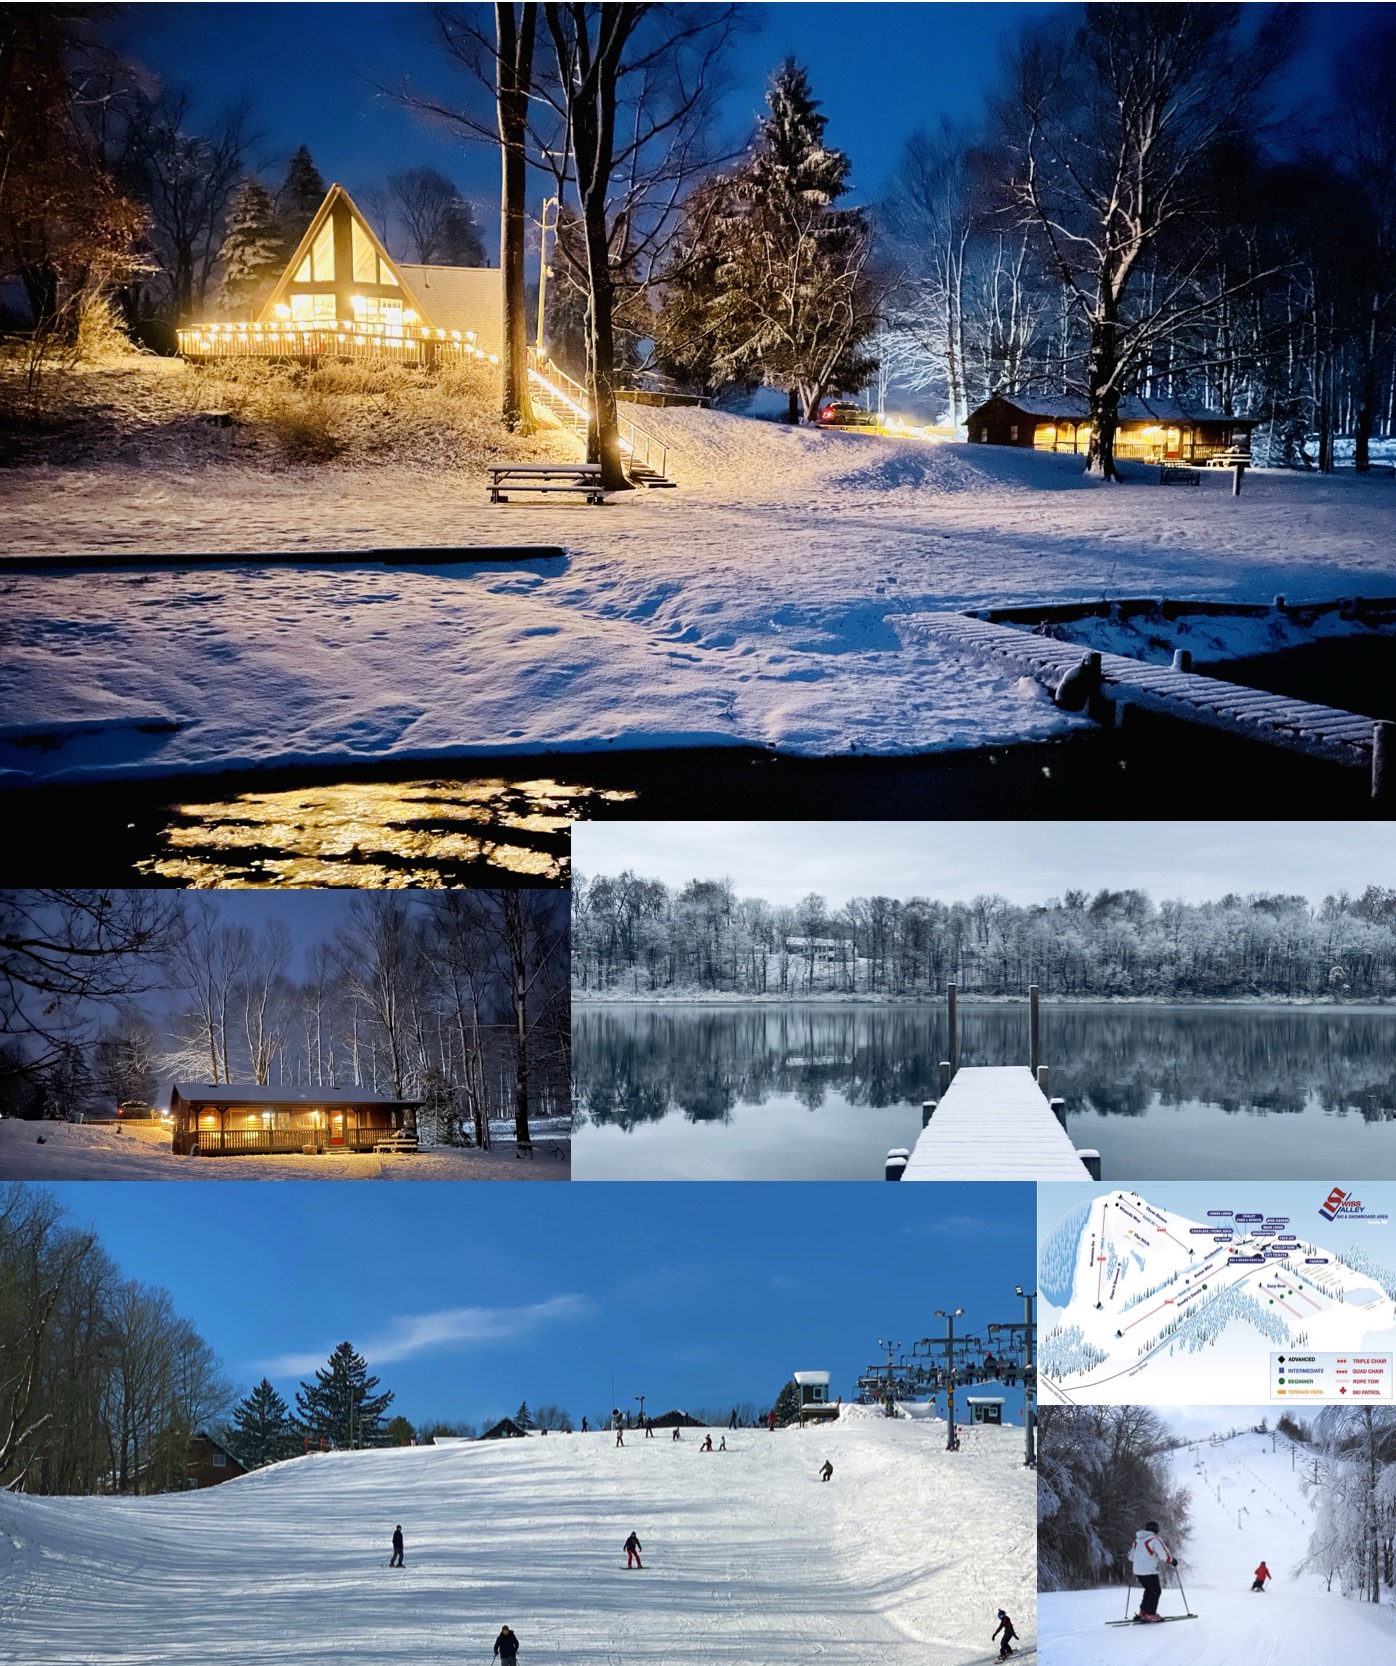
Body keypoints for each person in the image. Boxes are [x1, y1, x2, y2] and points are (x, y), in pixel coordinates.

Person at [1131, 1520, 1177, 1622]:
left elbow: (1130, 1557)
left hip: (1138, 1570)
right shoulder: (1154, 1539)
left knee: (1149, 1590)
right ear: (1156, 1529)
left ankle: (1143, 1612)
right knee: (1156, 1591)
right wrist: (1172, 1561)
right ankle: (1150, 1614)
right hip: (1149, 1570)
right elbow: (1164, 1554)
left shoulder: (1137, 1541)